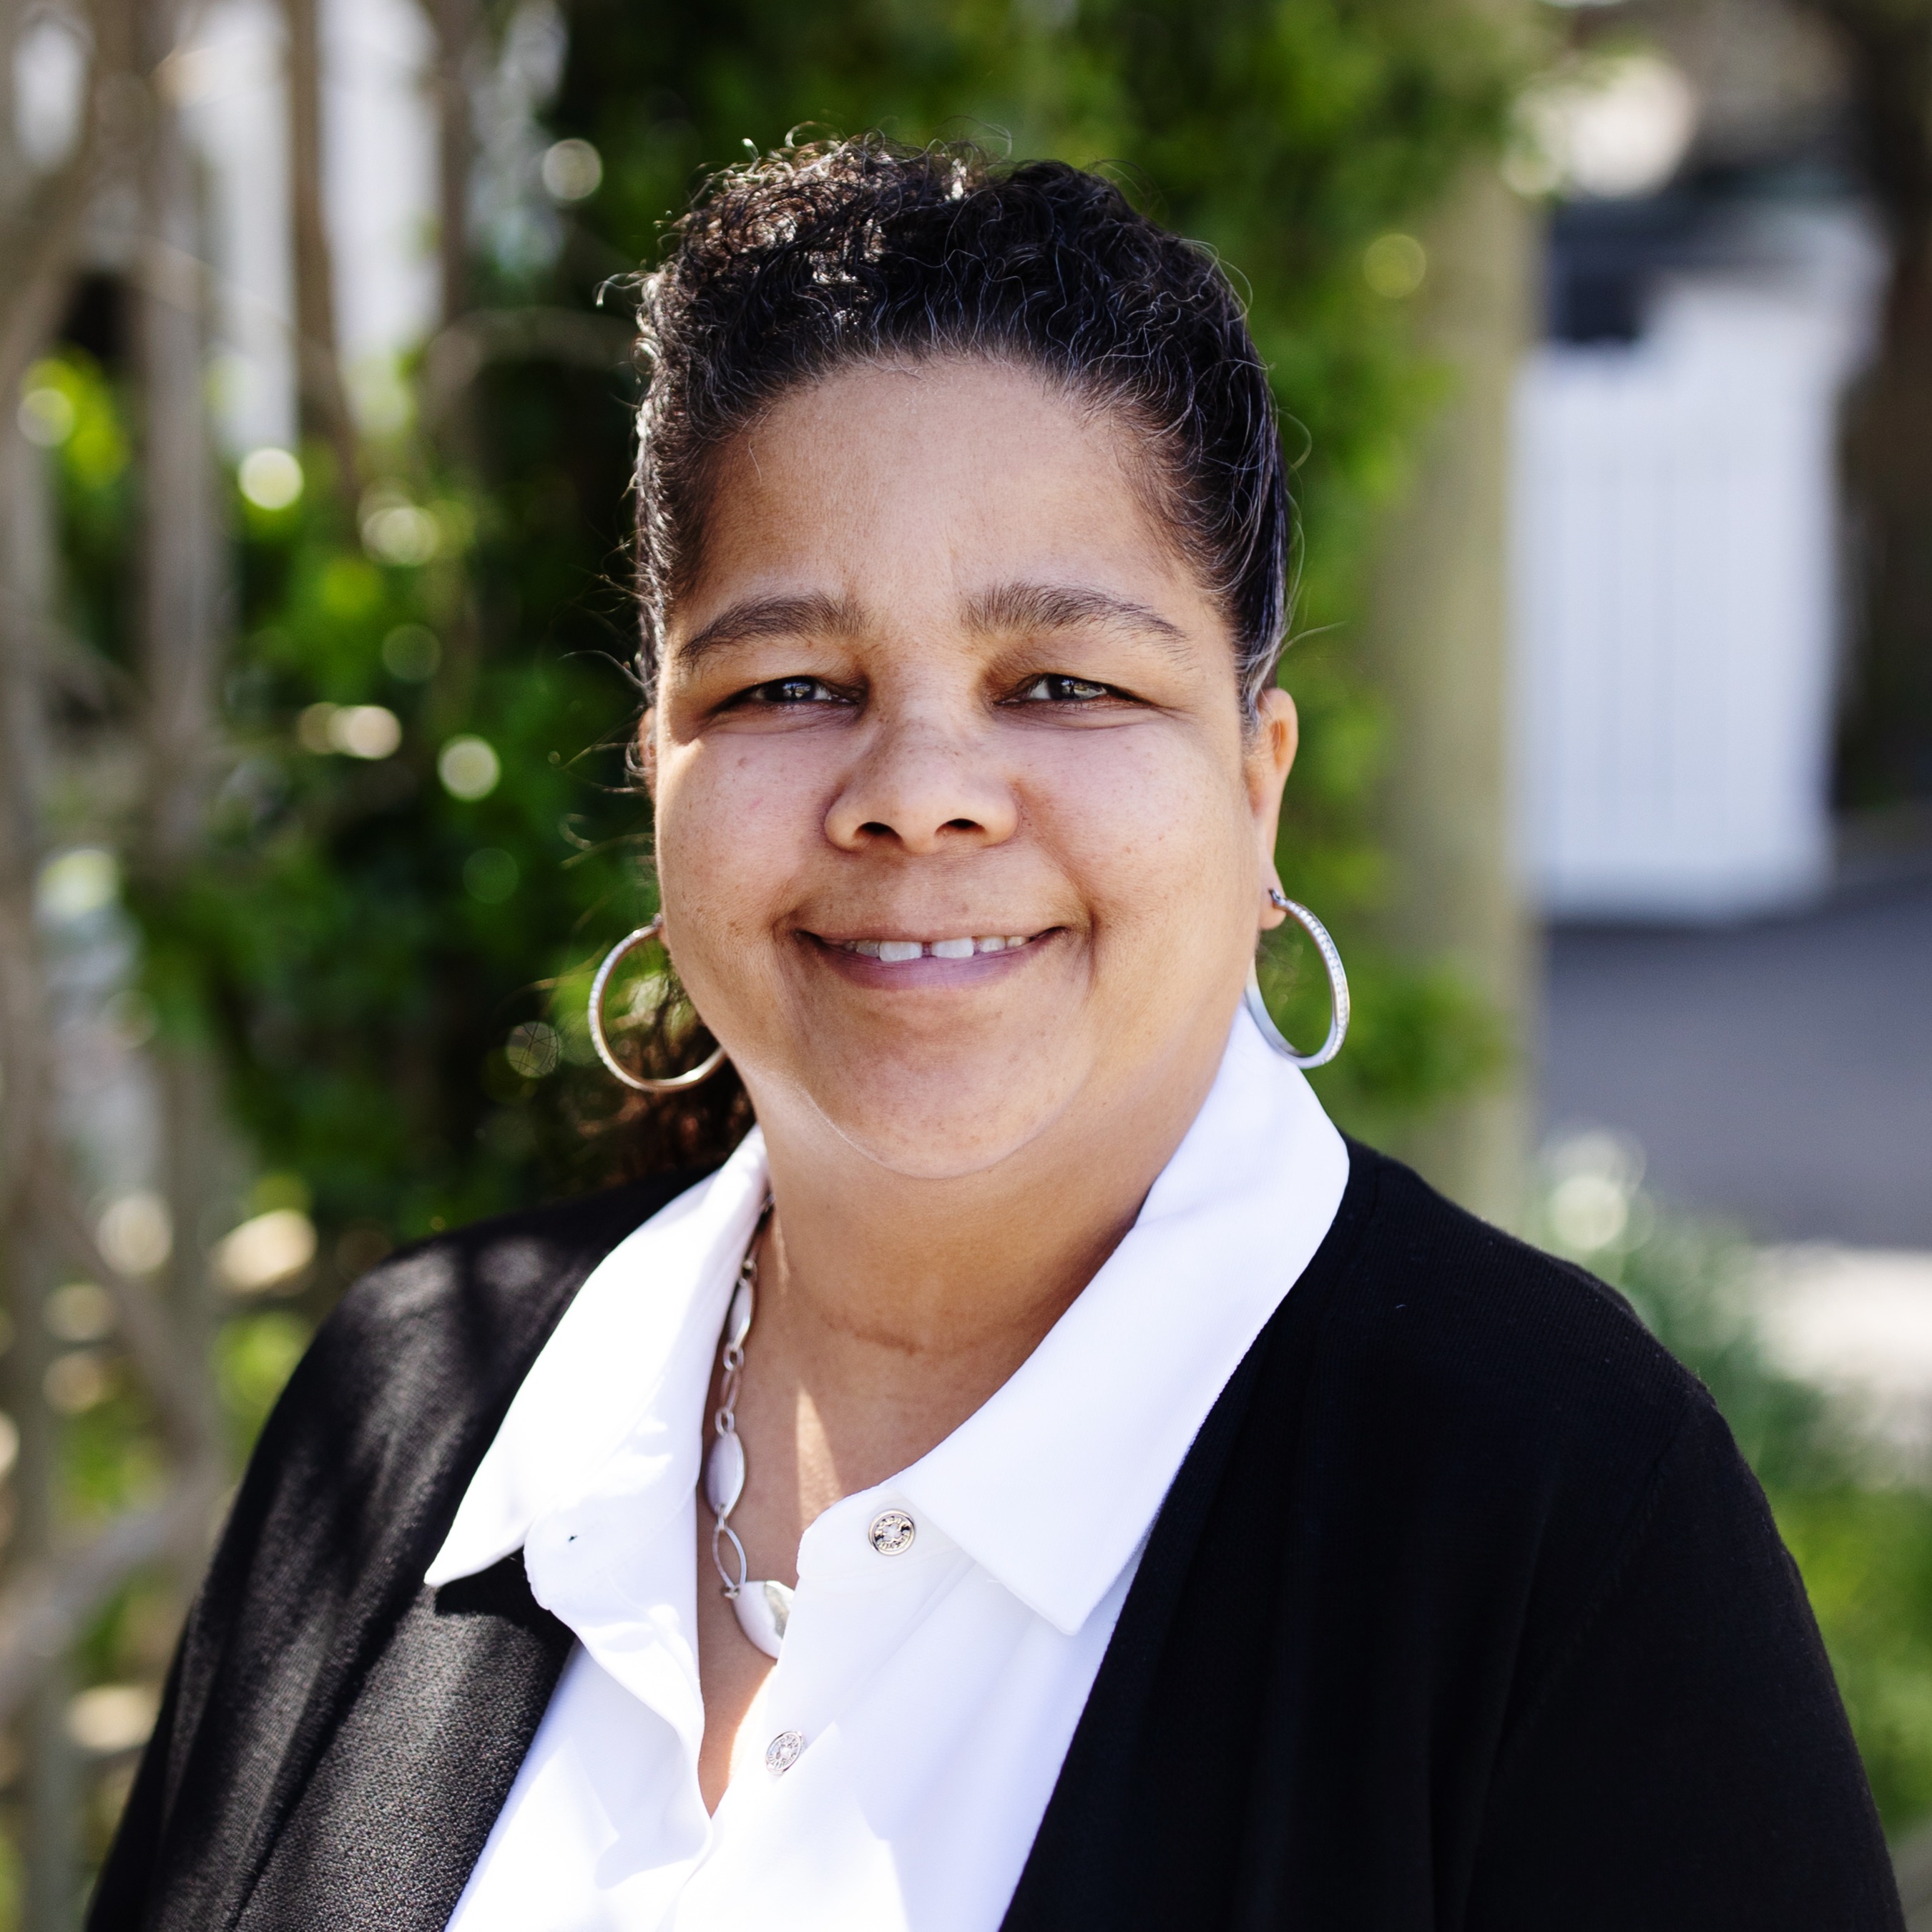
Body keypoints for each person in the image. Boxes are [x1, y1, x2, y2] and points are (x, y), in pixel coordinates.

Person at [91, 138, 1901, 1932]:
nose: (920, 795)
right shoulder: (410, 1402)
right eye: (789, 684)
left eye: (1064, 684)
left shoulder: (1558, 1523)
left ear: (1255, 791)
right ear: (659, 765)